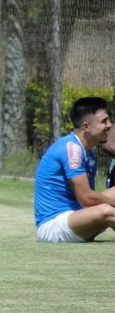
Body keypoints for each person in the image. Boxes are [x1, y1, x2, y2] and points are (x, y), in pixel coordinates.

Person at [34, 97, 115, 243]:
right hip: (52, 226)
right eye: (104, 121)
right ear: (86, 127)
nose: (109, 125)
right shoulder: (73, 149)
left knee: (106, 206)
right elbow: (86, 198)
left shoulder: (87, 152)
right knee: (106, 211)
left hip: (76, 216)